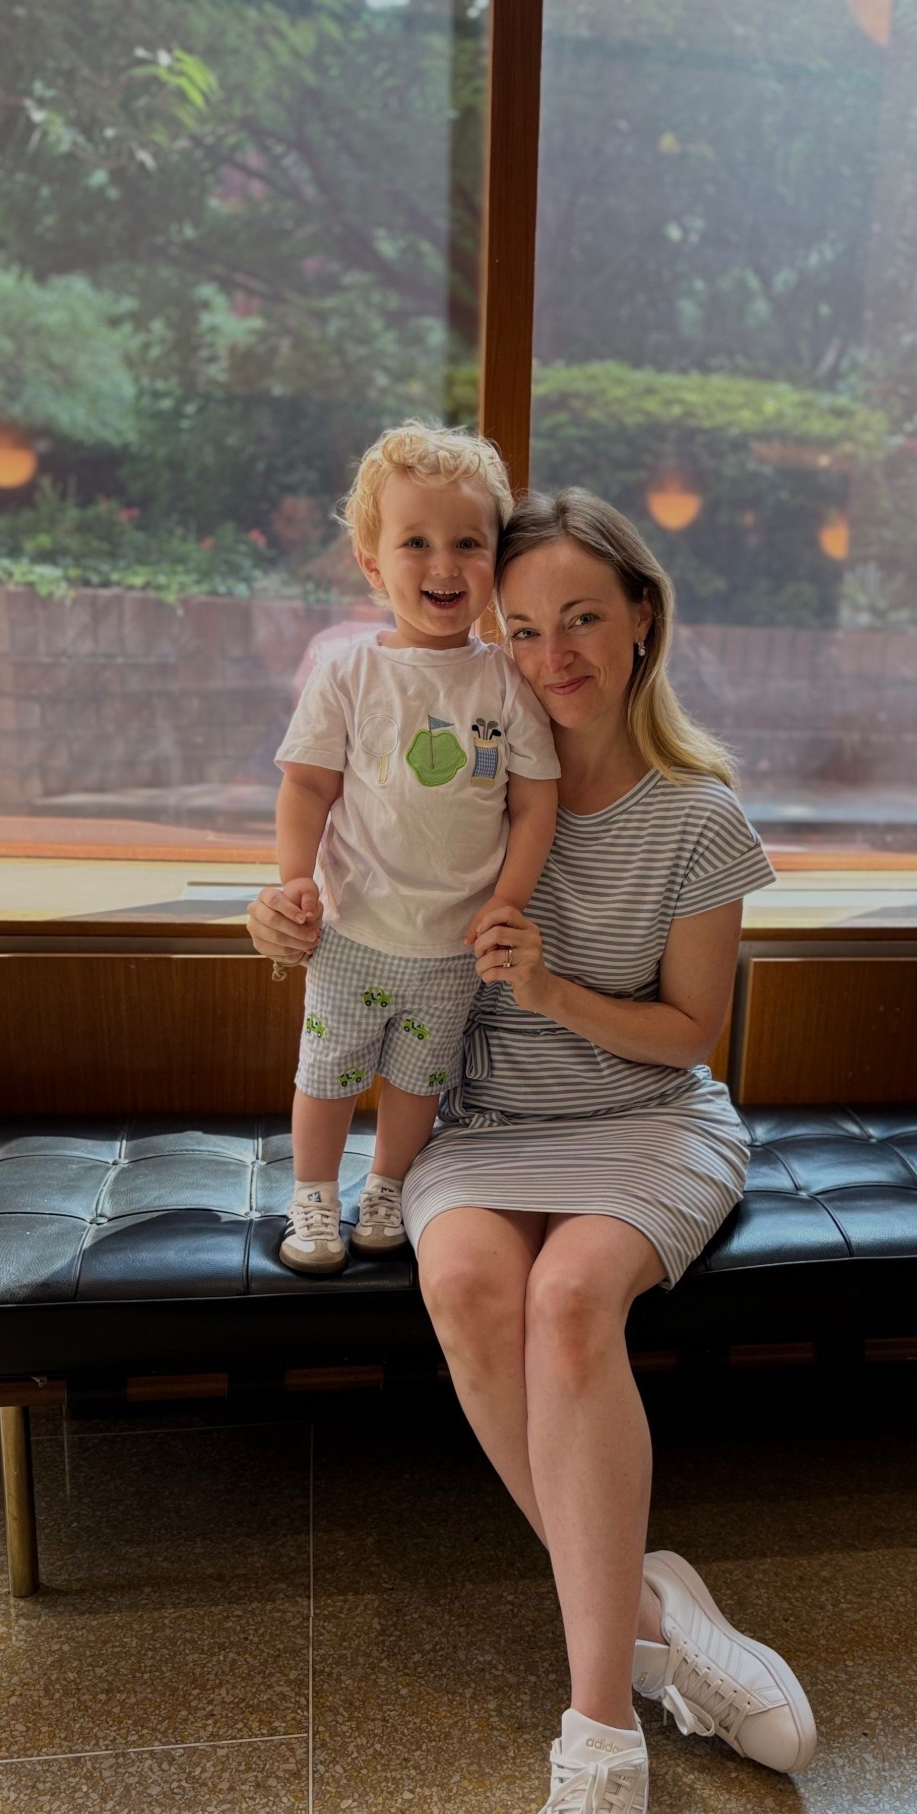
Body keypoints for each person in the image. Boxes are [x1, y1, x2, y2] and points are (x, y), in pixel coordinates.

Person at [249, 487, 815, 1814]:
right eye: (522, 626)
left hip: (646, 1120)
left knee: (574, 1301)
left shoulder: (700, 819)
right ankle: (644, 1599)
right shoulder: (458, 772)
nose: (552, 654)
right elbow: (327, 878)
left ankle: (602, 1752)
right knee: (467, 1284)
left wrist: (553, 985)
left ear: (641, 621)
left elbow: (690, 1041)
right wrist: (282, 914)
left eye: (581, 619)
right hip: (482, 1130)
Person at [272, 421, 560, 1275]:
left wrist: (506, 900)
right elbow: (306, 787)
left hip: (452, 947)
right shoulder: (347, 672)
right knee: (325, 1075)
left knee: (415, 1084)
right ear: (371, 562)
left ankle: (387, 1185)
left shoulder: (505, 679)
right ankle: (313, 1196)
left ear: (497, 561)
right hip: (353, 931)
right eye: (416, 543)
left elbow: (534, 806)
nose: (444, 565)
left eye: (469, 543)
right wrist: (293, 881)